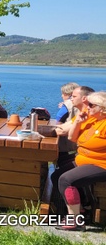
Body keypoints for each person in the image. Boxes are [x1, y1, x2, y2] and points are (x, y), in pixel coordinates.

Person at [55, 91, 106, 231]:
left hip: (100, 164)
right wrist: (77, 122)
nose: (87, 107)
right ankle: (81, 208)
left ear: (102, 108)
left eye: (91, 105)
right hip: (84, 160)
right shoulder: (90, 119)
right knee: (56, 176)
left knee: (66, 180)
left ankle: (75, 221)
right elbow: (72, 137)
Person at [52, 85, 95, 216]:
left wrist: (56, 130)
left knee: (61, 176)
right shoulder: (82, 114)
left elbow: (64, 131)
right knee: (57, 173)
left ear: (84, 98)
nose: (71, 99)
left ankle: (80, 208)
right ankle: (79, 206)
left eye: (74, 96)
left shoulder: (90, 115)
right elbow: (66, 129)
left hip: (93, 160)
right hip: (82, 156)